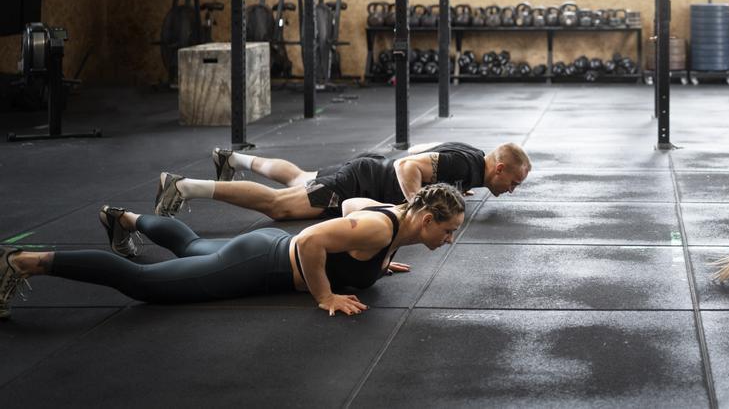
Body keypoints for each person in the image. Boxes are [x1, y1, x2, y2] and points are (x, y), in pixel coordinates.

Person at [0, 185, 466, 320]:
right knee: (144, 284)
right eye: (447, 231)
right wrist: (325, 296)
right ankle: (23, 262)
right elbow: (309, 241)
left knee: (192, 245)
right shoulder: (377, 227)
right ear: (426, 219)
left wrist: (377, 264)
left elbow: (348, 206)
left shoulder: (391, 223)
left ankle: (123, 218)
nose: (449, 240)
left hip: (261, 249)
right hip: (260, 263)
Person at [153, 141, 530, 221]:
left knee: (299, 178)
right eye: (513, 183)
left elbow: (420, 149)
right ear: (499, 169)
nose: (510, 191)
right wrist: (416, 205)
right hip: (360, 183)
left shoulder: (470, 161)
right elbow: (407, 165)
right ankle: (183, 186)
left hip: (366, 173)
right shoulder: (466, 166)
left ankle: (233, 159)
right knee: (279, 206)